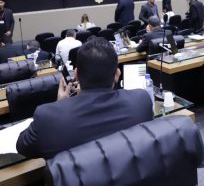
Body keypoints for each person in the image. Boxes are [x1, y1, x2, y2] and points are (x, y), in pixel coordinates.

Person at [17, 38, 153, 159]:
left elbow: (22, 147)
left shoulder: (48, 116)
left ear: (76, 74)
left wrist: (61, 105)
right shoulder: (142, 100)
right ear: (117, 74)